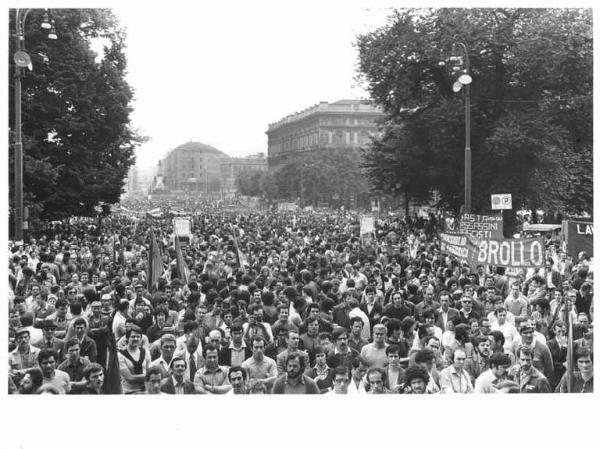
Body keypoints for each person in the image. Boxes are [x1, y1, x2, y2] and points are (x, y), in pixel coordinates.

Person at [117, 324, 150, 394]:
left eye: (138, 337)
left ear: (141, 339)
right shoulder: (120, 355)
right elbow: (130, 378)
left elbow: (149, 371)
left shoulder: (145, 352)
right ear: (127, 338)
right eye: (133, 337)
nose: (136, 339)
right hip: (129, 392)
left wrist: (149, 375)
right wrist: (147, 376)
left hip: (145, 391)